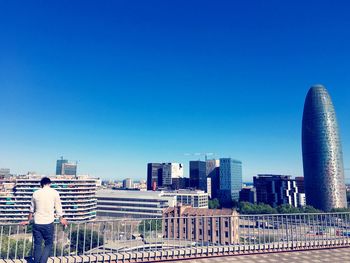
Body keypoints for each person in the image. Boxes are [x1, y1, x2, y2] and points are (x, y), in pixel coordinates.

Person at [20, 177, 68, 263]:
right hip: (48, 223)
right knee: (48, 244)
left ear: (41, 184)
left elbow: (31, 209)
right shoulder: (54, 193)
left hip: (37, 223)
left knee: (37, 245)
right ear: (49, 184)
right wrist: (61, 219)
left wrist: (28, 221)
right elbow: (58, 207)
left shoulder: (36, 193)